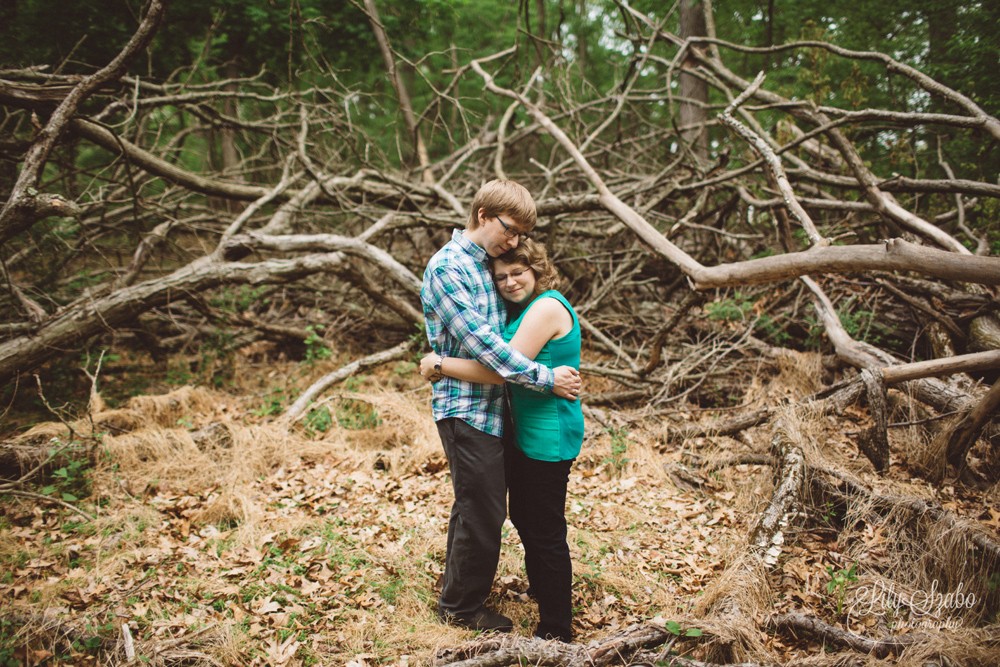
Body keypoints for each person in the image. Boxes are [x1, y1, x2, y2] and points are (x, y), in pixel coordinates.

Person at [420, 179, 581, 634]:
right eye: (509, 230)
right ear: (484, 215)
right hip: (466, 407)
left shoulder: (486, 264)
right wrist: (546, 379)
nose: (513, 243)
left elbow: (512, 334)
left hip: (496, 408)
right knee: (484, 510)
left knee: (478, 506)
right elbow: (487, 348)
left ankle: (459, 594)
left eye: (520, 238)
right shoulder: (449, 267)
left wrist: (436, 362)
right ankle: (462, 609)